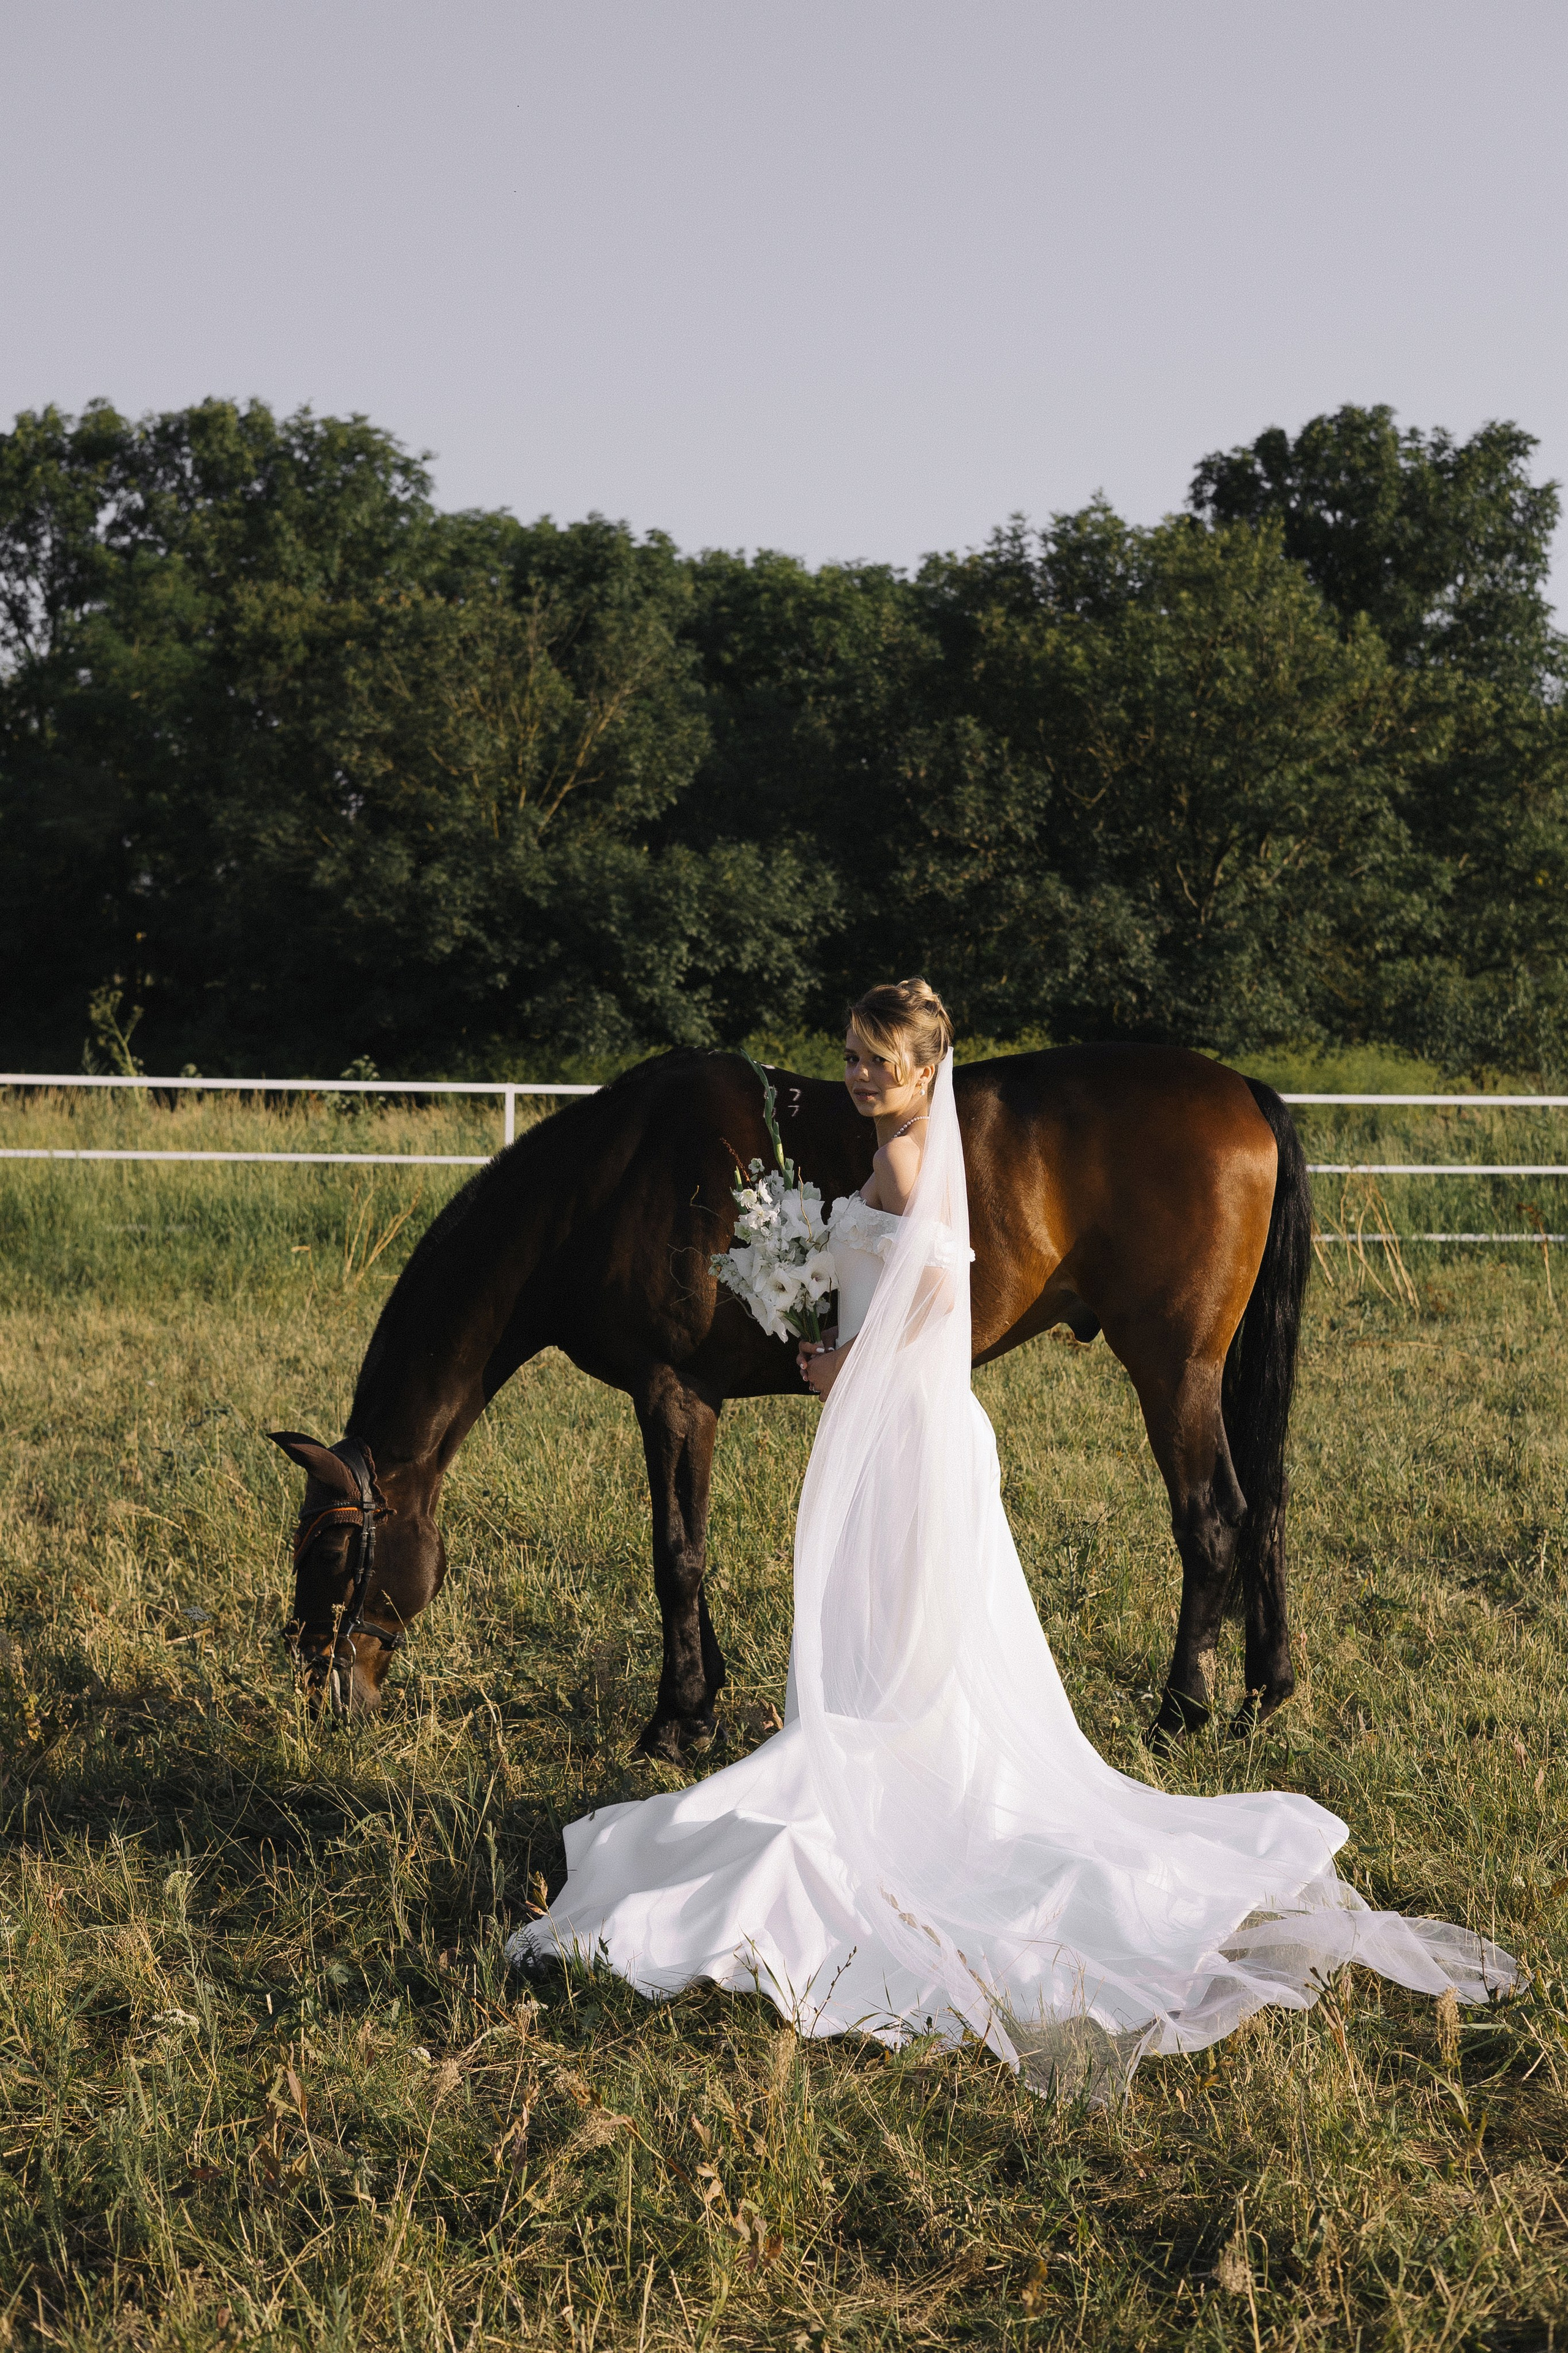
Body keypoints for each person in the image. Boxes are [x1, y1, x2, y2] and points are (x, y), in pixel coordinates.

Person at [508, 978, 1518, 2098]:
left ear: (925, 1073)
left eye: (876, 1064)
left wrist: (843, 1358)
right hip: (902, 1423)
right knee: (899, 1606)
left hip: (903, 1418)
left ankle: (907, 1784)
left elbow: (940, 1299)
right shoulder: (893, 1155)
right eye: (848, 1056)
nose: (854, 1076)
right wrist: (803, 1293)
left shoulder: (902, 1166)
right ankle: (907, 1751)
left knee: (899, 1599)